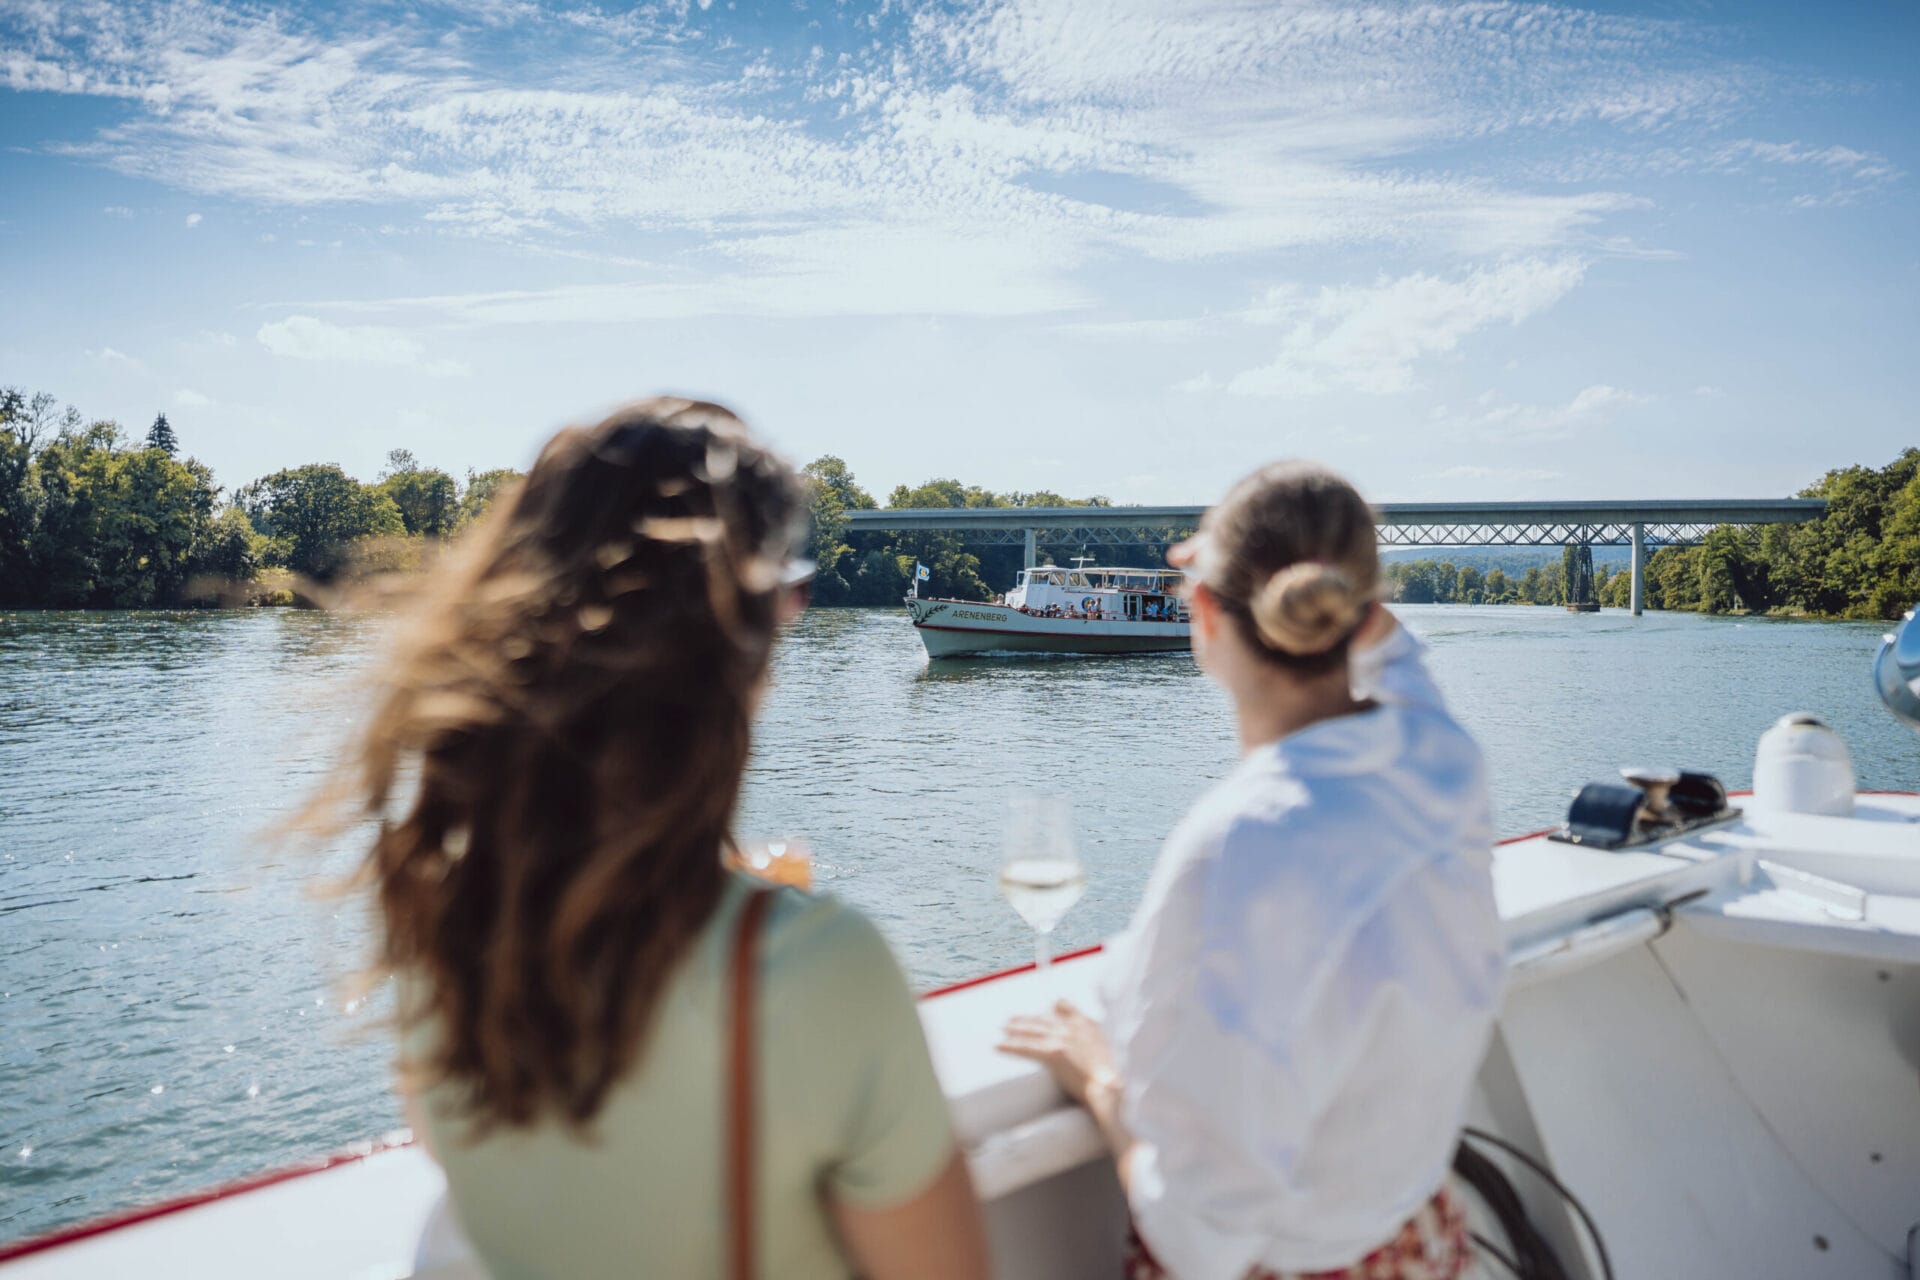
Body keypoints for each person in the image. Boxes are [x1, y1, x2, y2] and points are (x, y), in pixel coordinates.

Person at [335, 399, 988, 1280]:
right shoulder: (818, 968)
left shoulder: (438, 912)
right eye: (786, 595)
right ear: (744, 642)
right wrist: (762, 920)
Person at [1000, 460, 1502, 1280]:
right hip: (1421, 1241)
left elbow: (1201, 1239)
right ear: (1364, 609)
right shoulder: (1442, 754)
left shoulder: (1237, 845)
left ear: (1202, 613)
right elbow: (1397, 655)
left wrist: (1099, 1081)